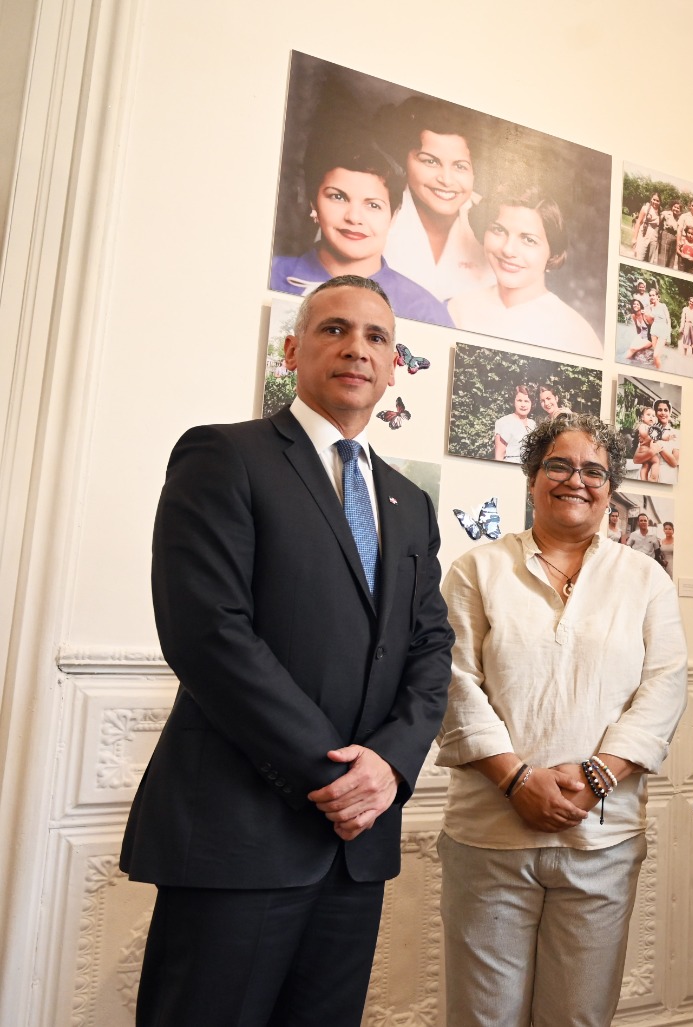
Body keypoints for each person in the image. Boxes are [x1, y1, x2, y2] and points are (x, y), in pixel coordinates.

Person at [123, 276, 454, 1025]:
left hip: (357, 847)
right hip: (239, 835)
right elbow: (208, 634)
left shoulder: (408, 501)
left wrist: (390, 767)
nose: (356, 349)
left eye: (375, 337)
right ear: (292, 348)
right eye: (334, 329)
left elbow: (431, 646)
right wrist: (334, 777)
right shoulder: (224, 456)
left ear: (395, 364)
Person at [434, 412, 688, 1027]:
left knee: (578, 1018)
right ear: (531, 477)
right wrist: (518, 781)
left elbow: (665, 685)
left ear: (610, 489)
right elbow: (452, 682)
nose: (577, 479)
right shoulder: (477, 569)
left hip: (601, 838)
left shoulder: (645, 579)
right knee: (481, 1018)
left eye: (595, 470)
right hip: (489, 836)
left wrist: (599, 773)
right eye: (559, 464)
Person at [270, 143, 453, 326]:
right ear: (313, 204)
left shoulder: (425, 311)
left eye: (373, 205)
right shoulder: (271, 274)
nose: (354, 218)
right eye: (338, 197)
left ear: (394, 215)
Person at [447, 183, 603, 358]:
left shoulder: (576, 336)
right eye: (498, 230)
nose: (508, 250)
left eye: (529, 240)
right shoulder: (458, 308)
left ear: (553, 253)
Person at [380, 97, 494, 302]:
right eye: (430, 161)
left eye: (460, 166)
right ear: (403, 160)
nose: (446, 180)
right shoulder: (373, 207)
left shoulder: (497, 222)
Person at [493, 384, 537, 464]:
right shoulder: (504, 422)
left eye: (526, 401)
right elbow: (499, 457)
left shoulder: (533, 424)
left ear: (531, 403)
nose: (523, 405)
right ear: (514, 402)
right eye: (519, 400)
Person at [649, 397, 681, 484]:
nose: (663, 413)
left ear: (669, 412)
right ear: (655, 412)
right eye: (659, 410)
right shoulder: (649, 431)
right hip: (651, 474)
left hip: (668, 476)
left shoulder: (676, 434)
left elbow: (674, 462)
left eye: (666, 410)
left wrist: (659, 446)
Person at [631, 193, 662, 262]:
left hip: (653, 239)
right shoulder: (645, 208)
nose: (655, 202)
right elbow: (638, 222)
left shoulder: (660, 213)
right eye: (654, 199)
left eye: (658, 201)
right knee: (639, 257)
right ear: (651, 199)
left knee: (649, 260)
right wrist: (634, 238)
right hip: (643, 235)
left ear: (660, 202)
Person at [659, 201, 681, 270]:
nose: (676, 209)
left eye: (678, 208)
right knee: (663, 259)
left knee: (671, 261)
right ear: (672, 207)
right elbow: (659, 223)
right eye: (675, 207)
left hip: (674, 239)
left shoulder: (679, 219)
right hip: (666, 235)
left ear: (680, 210)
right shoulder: (666, 213)